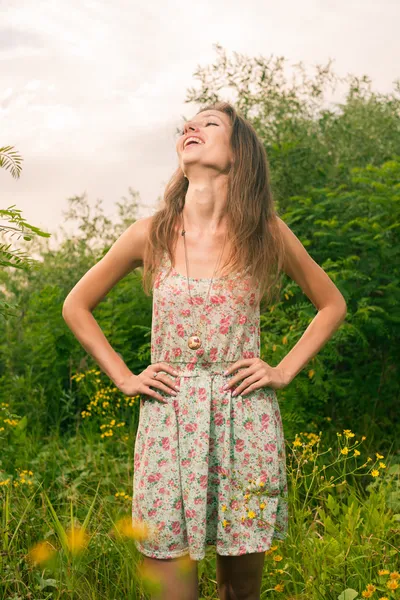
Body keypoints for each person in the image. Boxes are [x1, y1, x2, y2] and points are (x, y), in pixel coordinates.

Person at [62, 101, 347, 600]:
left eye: (210, 124)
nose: (192, 126)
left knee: (240, 591)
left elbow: (331, 304)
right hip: (168, 419)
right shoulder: (149, 233)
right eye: (188, 124)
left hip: (244, 420)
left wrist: (281, 370)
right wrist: (125, 378)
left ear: (239, 154)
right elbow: (76, 305)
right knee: (170, 581)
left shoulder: (265, 233)